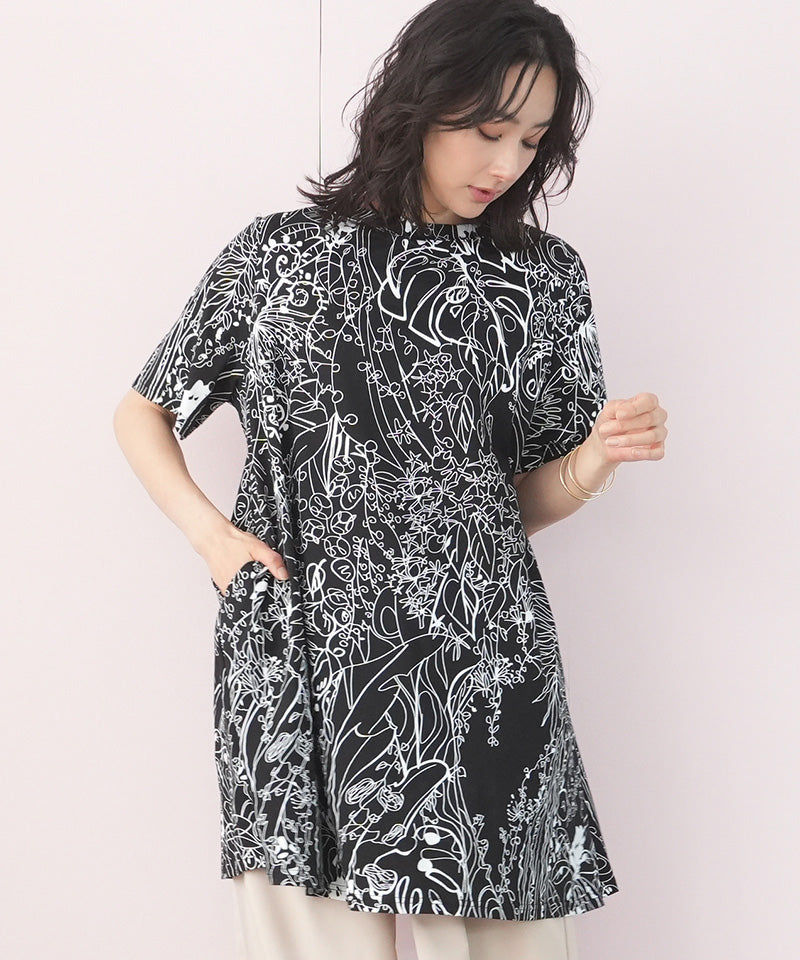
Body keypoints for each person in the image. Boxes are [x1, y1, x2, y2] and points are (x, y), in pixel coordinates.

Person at [113, 0, 668, 957]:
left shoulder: (542, 280)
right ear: (420, 102)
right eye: (489, 129)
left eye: (532, 140)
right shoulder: (277, 258)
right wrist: (216, 541)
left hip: (480, 673)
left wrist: (593, 461)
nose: (508, 163)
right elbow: (144, 411)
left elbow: (512, 504)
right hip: (297, 660)